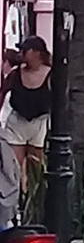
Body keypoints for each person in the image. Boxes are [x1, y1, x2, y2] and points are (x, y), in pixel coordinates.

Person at [0, 35, 51, 177]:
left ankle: (33, 197)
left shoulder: (51, 74)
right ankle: (18, 196)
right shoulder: (16, 73)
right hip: (17, 121)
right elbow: (4, 94)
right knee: (15, 167)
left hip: (39, 122)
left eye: (25, 50)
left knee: (35, 168)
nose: (21, 54)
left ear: (36, 53)